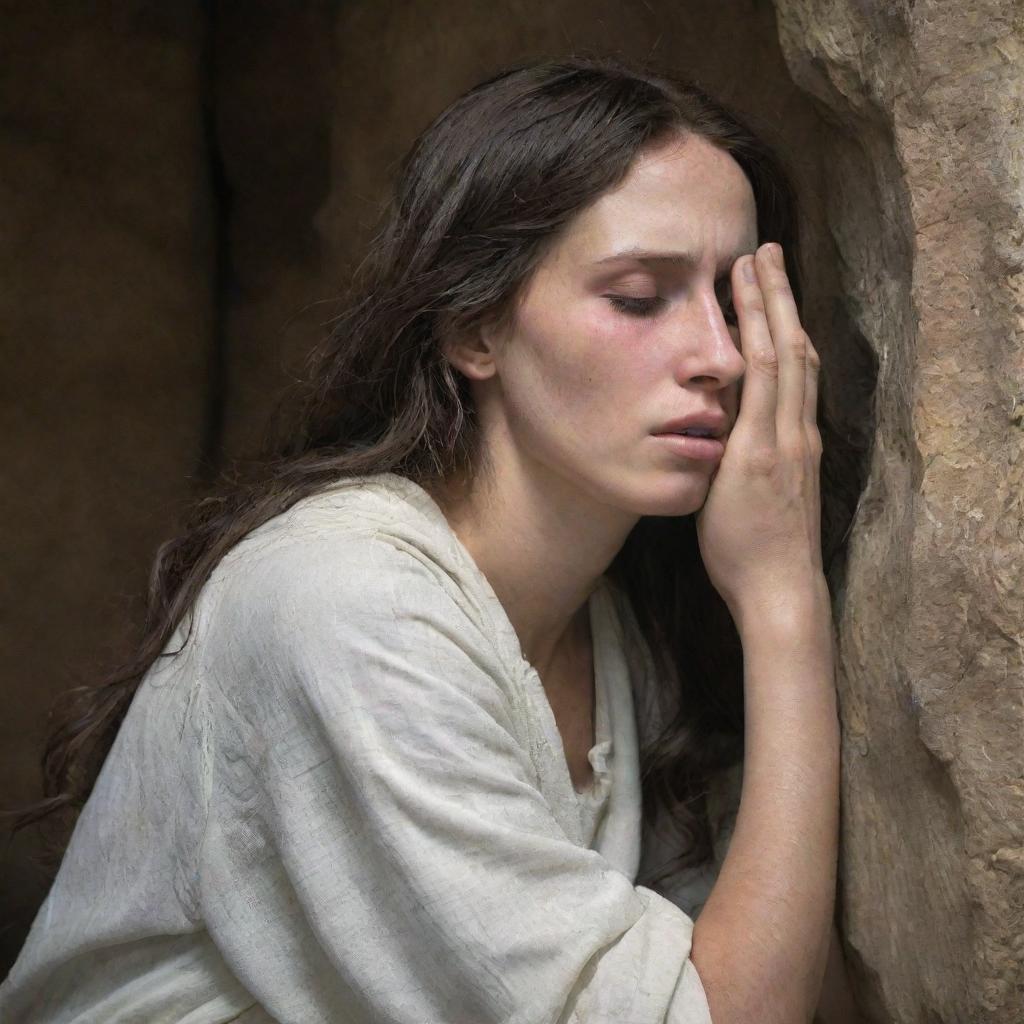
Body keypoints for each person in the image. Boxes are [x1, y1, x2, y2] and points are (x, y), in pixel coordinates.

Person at [1, 55, 858, 1023]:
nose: (721, 356)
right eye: (637, 296)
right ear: (474, 330)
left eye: (735, 301)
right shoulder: (348, 605)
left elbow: (781, 966)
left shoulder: (622, 639)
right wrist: (783, 600)